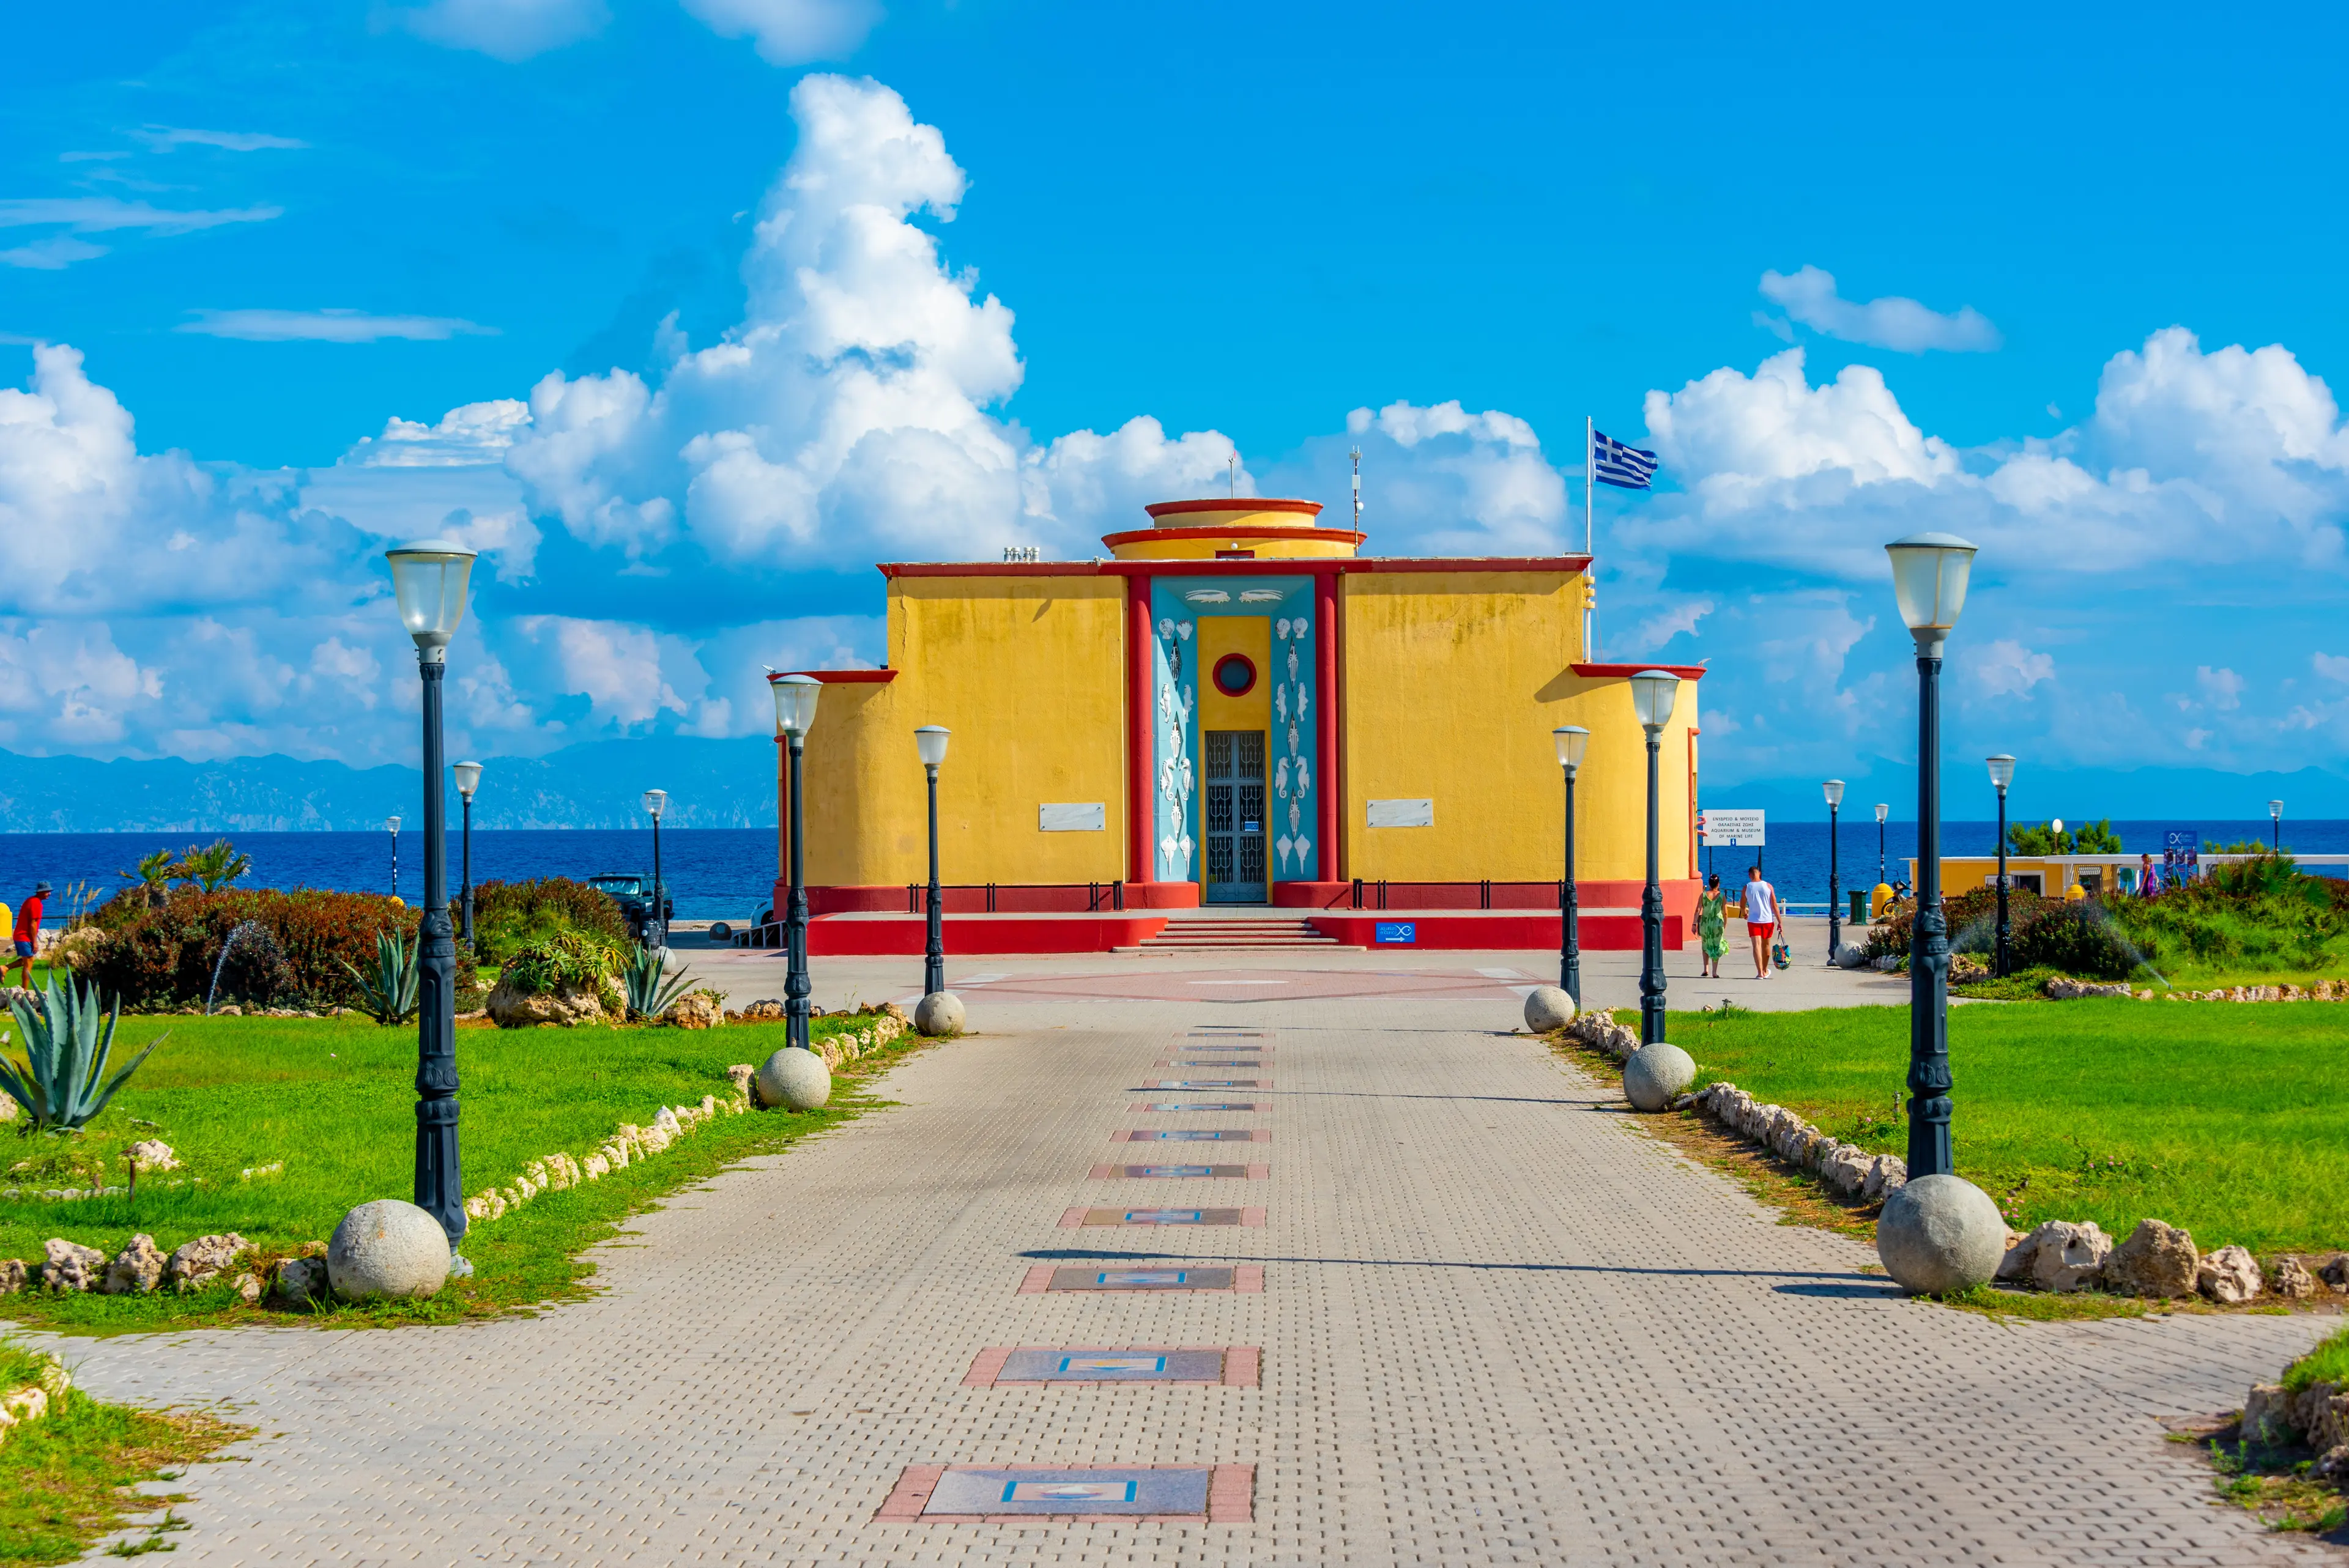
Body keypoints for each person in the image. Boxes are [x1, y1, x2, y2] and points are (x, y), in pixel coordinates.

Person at [9, 881, 48, 989]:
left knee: (27, 960)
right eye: (47, 892)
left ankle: (5, 968)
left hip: (20, 935)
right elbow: (33, 924)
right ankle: (24, 991)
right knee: (29, 963)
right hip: (24, 936)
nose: (49, 894)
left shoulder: (30, 900)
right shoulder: (36, 904)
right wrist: (35, 941)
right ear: (40, 892)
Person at [1742, 864, 1778, 980]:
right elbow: (1774, 905)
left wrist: (1744, 913)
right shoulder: (1768, 886)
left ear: (1749, 875)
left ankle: (1760, 973)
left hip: (1753, 920)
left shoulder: (1747, 887)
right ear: (1759, 873)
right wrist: (1780, 921)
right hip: (1767, 920)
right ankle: (1765, 970)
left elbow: (1742, 904)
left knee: (1756, 945)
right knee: (1766, 945)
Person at [1696, 873, 1727, 978]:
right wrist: (1725, 923)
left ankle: (1706, 969)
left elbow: (1698, 909)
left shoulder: (1703, 895)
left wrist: (1694, 923)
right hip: (1717, 923)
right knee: (1716, 946)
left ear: (1709, 884)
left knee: (1705, 945)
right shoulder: (1721, 896)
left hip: (1705, 923)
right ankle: (1714, 972)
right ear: (1718, 884)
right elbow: (1725, 912)